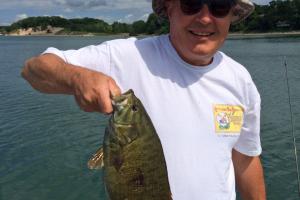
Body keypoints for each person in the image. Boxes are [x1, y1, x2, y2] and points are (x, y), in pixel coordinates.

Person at [21, 0, 266, 199]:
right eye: (191, 4)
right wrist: (77, 78)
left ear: (231, 15)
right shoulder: (127, 55)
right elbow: (34, 70)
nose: (204, 18)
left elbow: (245, 158)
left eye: (219, 6)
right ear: (169, 8)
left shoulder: (239, 79)